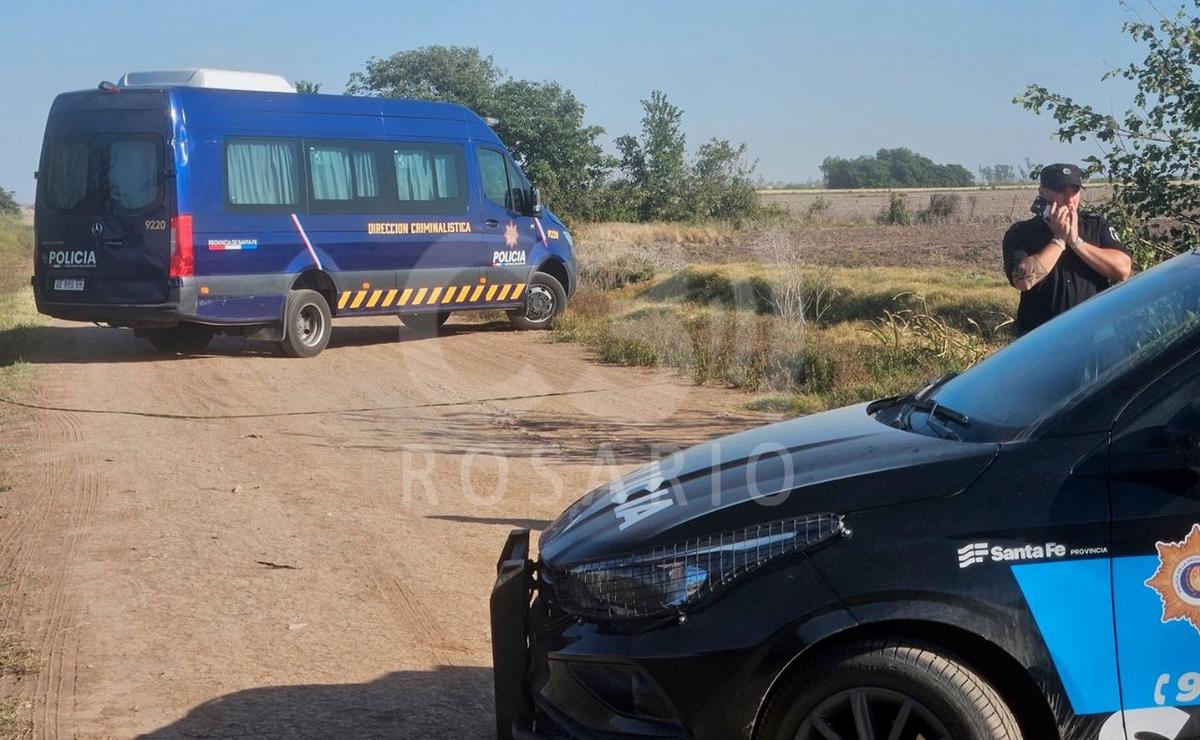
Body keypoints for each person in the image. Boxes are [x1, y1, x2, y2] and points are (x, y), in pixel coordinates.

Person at [1002, 163, 1132, 333]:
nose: (1070, 200)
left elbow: (1122, 270)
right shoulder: (1021, 233)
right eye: (1061, 191)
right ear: (1042, 193)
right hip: (1041, 338)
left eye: (1074, 192)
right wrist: (1059, 240)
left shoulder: (1096, 225)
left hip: (1097, 333)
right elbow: (1023, 281)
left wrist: (1077, 242)